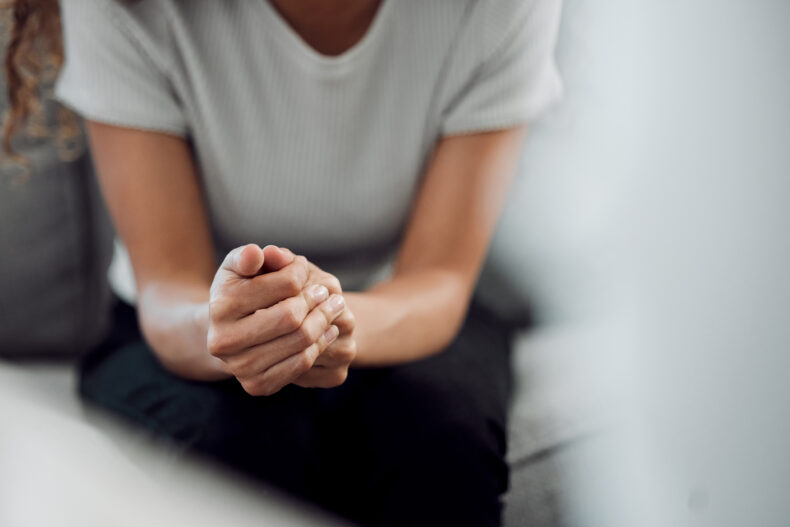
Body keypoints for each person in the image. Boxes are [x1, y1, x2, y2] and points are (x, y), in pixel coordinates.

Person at [3, 0, 562, 525]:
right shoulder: (124, 7)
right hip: (187, 321)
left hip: (400, 307)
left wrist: (326, 320)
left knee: (443, 449)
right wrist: (230, 325)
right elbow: (169, 284)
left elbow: (439, 277)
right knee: (236, 454)